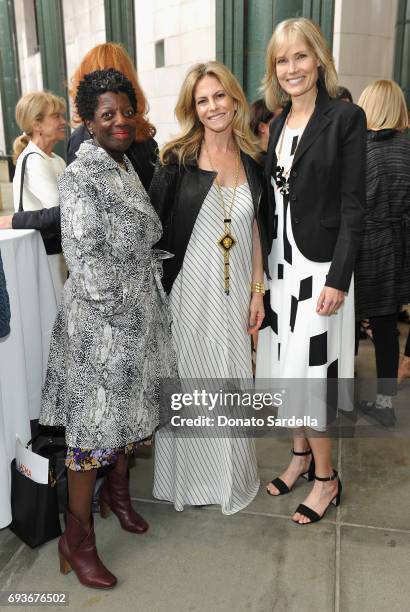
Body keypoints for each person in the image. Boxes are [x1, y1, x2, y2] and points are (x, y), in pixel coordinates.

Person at [39, 69, 177, 589]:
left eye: (126, 111)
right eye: (107, 115)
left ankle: (118, 496)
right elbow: (86, 261)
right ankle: (76, 540)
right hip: (102, 325)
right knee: (91, 436)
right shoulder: (81, 174)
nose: (120, 122)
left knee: (126, 416)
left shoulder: (123, 165)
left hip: (135, 316)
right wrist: (125, 318)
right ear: (87, 123)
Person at [256, 18, 366, 524]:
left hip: (319, 270)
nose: (291, 68)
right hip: (280, 269)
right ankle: (301, 457)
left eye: (300, 57)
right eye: (282, 60)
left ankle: (327, 479)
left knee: (311, 380)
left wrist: (339, 278)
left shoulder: (345, 118)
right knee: (286, 372)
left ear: (318, 59)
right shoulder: (276, 125)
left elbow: (353, 207)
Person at [150, 61, 270, 515]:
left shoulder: (254, 159)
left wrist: (258, 291)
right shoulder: (175, 160)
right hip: (188, 293)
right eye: (202, 100)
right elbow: (154, 233)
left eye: (219, 96)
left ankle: (228, 478)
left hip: (236, 289)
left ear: (234, 98)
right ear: (193, 108)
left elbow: (260, 231)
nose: (213, 106)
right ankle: (192, 482)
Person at [0, 42, 157, 238]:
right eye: (55, 116)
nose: (62, 121)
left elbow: (74, 211)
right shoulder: (145, 137)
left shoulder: (88, 137)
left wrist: (15, 220)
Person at [355, 80, 410, 426]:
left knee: (345, 326)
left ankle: (340, 400)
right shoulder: (408, 147)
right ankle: (385, 404)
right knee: (387, 327)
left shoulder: (360, 149)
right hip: (400, 247)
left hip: (363, 247)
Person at [12, 92, 67, 299]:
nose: (64, 121)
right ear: (37, 124)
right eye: (56, 116)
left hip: (57, 257)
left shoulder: (56, 159)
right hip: (45, 259)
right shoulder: (34, 160)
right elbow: (62, 209)